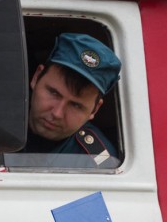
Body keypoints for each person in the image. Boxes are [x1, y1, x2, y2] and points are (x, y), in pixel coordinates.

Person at [23, 33, 121, 167]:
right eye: (53, 93)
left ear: (95, 109)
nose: (57, 113)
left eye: (75, 105)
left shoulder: (99, 162)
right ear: (36, 77)